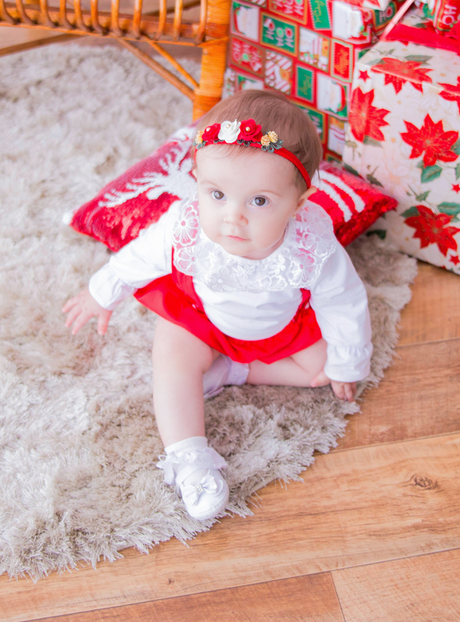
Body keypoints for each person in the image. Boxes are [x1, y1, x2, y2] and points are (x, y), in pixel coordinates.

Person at [63, 91, 372, 520]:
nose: (233, 217)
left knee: (324, 371)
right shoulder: (187, 225)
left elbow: (344, 302)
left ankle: (233, 371)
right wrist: (103, 291)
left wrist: (347, 362)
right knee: (171, 358)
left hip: (280, 329)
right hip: (202, 319)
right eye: (217, 194)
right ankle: (190, 459)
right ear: (198, 182)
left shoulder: (311, 245)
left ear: (299, 203)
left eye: (259, 201)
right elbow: (142, 253)